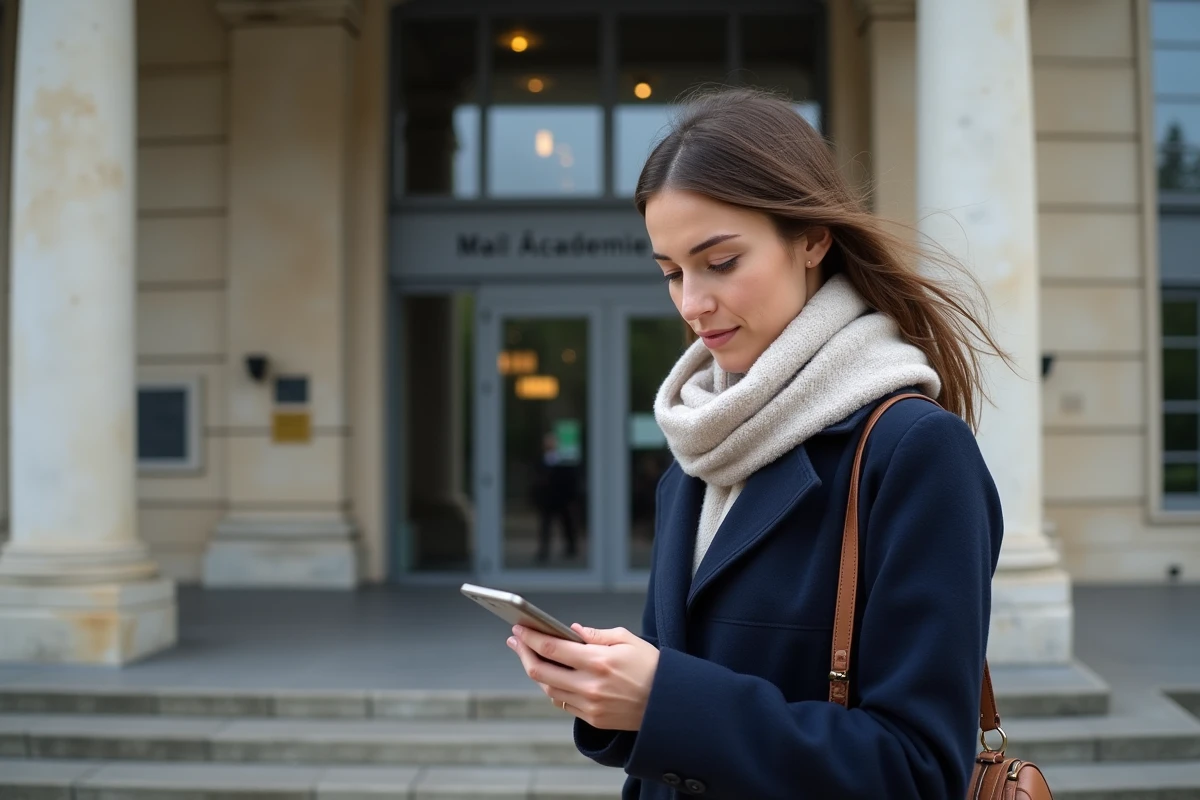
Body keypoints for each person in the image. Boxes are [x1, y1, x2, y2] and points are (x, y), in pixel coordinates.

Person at [505, 87, 1006, 799]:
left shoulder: (915, 452)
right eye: (672, 272)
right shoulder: (699, 449)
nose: (691, 303)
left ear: (811, 238)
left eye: (721, 261)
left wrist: (664, 699)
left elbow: (916, 770)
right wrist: (617, 699)